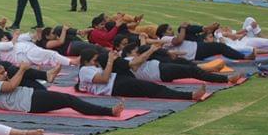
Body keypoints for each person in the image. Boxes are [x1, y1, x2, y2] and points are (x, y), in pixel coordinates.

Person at [0, 61, 124, 117]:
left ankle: (47, 75)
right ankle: (108, 111)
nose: (4, 74)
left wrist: (19, 72)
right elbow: (11, 86)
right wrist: (22, 69)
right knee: (69, 99)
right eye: (1, 73)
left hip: (31, 96)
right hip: (30, 102)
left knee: (16, 71)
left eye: (4, 71)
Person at [77, 49, 205, 101]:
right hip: (116, 86)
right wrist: (110, 60)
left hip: (118, 81)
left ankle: (189, 95)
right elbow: (104, 79)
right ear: (85, 61)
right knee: (153, 89)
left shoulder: (90, 69)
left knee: (152, 88)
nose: (96, 63)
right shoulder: (84, 70)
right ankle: (190, 96)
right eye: (94, 60)